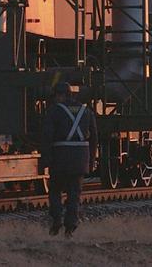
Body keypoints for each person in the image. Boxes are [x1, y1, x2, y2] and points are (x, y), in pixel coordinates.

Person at [39, 81, 98, 237]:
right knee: (74, 194)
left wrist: (45, 159)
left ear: (59, 95)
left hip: (60, 158)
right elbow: (94, 139)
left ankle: (56, 219)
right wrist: (91, 161)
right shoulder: (87, 112)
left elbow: (46, 136)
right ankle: (70, 226)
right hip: (80, 159)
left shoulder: (54, 111)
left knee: (55, 190)